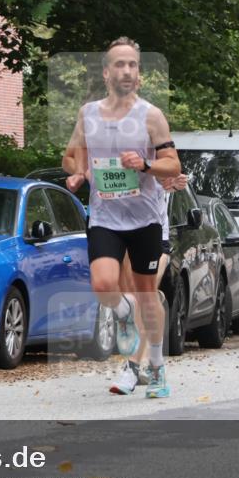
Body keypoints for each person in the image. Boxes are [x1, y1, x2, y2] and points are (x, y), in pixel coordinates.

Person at [62, 36, 181, 398]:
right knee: (103, 285)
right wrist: (77, 173)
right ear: (106, 72)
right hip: (105, 216)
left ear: (139, 75)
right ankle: (124, 309)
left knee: (147, 294)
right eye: (120, 64)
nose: (126, 70)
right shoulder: (89, 114)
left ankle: (157, 369)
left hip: (144, 219)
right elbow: (70, 156)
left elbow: (173, 164)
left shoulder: (151, 116)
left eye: (133, 65)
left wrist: (145, 164)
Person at [111, 173, 188, 393]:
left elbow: (171, 175)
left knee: (144, 298)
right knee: (134, 301)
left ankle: (136, 368)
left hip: (155, 236)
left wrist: (174, 182)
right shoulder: (114, 155)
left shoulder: (154, 151)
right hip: (123, 236)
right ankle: (147, 364)